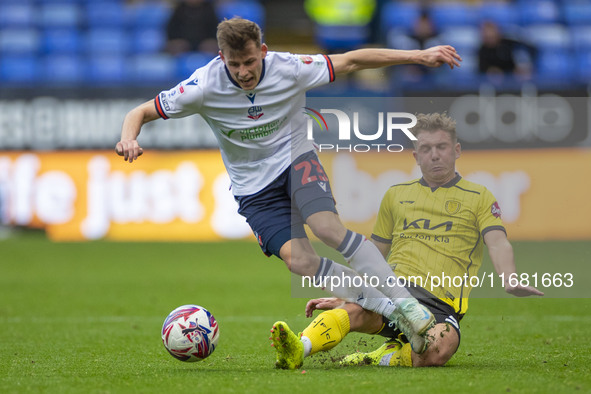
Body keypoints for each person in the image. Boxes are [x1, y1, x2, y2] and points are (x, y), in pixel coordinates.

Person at [116, 18, 462, 362]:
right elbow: (142, 111)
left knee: (327, 228)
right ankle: (388, 308)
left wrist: (417, 55)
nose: (244, 71)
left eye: (250, 62)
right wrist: (129, 138)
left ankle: (407, 305)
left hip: (296, 159)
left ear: (263, 52)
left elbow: (352, 60)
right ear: (222, 58)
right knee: (300, 261)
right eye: (234, 64)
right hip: (253, 188)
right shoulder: (202, 86)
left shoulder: (290, 68)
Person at [270, 112, 543, 369]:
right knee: (352, 310)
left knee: (441, 348)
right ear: (415, 155)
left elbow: (497, 241)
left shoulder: (479, 196)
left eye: (442, 147)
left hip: (440, 303)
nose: (434, 155)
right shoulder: (396, 195)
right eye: (426, 149)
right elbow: (372, 254)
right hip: (393, 291)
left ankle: (383, 357)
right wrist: (350, 291)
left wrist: (509, 277)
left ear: (457, 150)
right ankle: (299, 348)